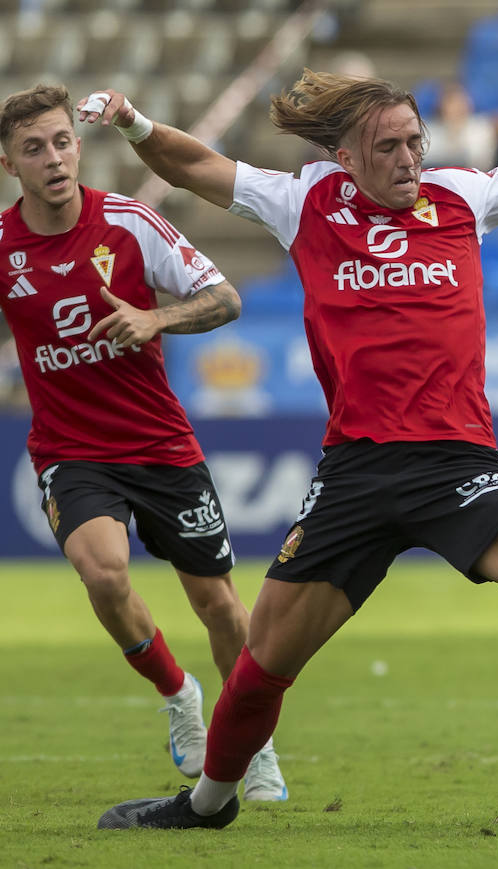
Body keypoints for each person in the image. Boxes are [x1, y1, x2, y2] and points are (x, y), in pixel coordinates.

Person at [81, 43, 498, 831]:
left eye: (415, 142)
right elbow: (197, 164)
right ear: (345, 158)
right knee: (264, 663)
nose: (408, 161)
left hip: (457, 463)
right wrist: (134, 122)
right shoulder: (305, 201)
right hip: (355, 472)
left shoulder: (461, 195)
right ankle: (207, 803)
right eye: (388, 148)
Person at [0, 84, 287, 801]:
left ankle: (255, 745)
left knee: (219, 604)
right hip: (71, 450)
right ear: (10, 164)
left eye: (62, 141)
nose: (54, 158)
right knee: (104, 572)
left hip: (160, 444)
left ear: (79, 143)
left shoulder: (128, 224)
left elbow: (225, 298)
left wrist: (156, 320)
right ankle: (177, 692)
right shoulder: (4, 248)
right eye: (34, 148)